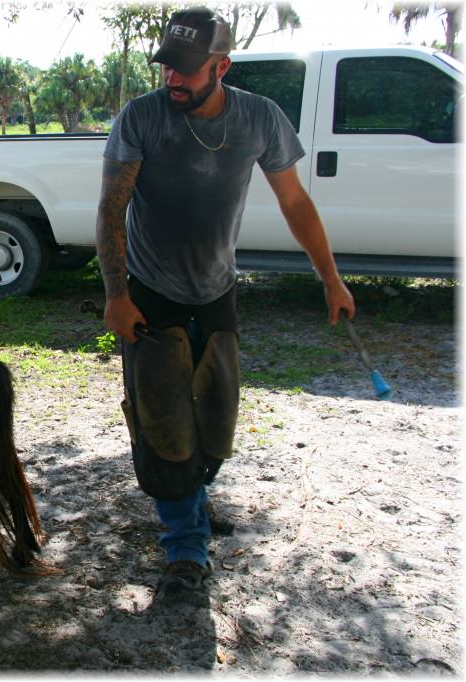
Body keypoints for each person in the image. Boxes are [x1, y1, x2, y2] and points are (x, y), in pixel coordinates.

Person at [95, 8, 355, 595]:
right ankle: (184, 545)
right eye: (168, 68)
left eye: (188, 70)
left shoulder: (259, 118)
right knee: (165, 424)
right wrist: (117, 296)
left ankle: (193, 498)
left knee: (215, 420)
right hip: (150, 292)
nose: (173, 80)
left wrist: (330, 279)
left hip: (216, 290)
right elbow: (112, 208)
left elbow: (295, 203)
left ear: (222, 66)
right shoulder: (141, 118)